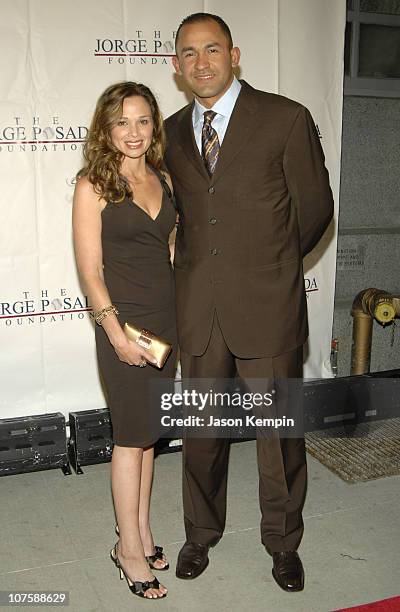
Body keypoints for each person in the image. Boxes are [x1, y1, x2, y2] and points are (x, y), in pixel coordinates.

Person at [164, 13, 334, 591]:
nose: (201, 62)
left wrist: (274, 270)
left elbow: (313, 211)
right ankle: (199, 534)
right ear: (176, 65)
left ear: (235, 55)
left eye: (212, 49)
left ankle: (283, 545)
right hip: (198, 312)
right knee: (202, 435)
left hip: (268, 306)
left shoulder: (285, 118)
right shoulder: (169, 132)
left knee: (278, 436)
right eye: (189, 53)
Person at [73, 81, 178, 600]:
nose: (133, 133)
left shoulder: (162, 177)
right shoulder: (94, 183)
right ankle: (128, 550)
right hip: (125, 323)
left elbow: (173, 254)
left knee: (149, 437)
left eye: (142, 121)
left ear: (153, 125)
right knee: (129, 438)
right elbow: (91, 271)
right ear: (106, 127)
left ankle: (142, 531)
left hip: (166, 324)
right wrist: (114, 332)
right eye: (122, 122)